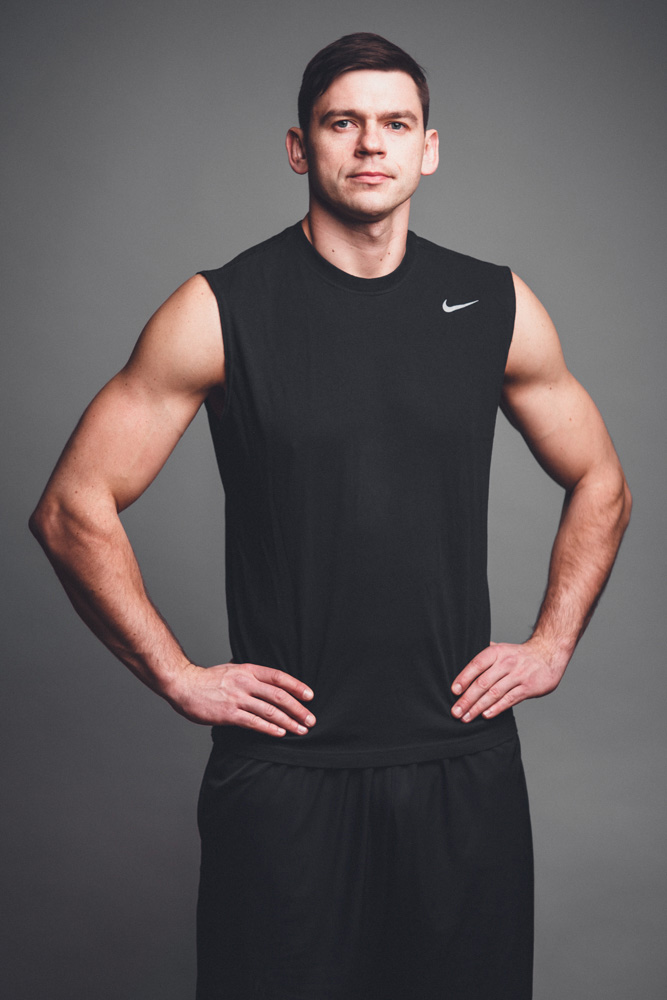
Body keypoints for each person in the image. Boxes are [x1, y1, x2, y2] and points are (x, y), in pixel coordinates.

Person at [30, 31, 631, 1000]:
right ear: (298, 147)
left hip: (457, 765)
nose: (370, 143)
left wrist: (552, 642)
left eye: (395, 123)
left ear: (428, 148)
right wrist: (177, 674)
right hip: (284, 777)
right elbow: (70, 506)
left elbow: (601, 479)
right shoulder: (218, 309)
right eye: (342, 122)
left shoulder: (494, 302)